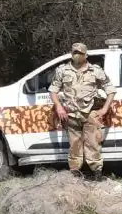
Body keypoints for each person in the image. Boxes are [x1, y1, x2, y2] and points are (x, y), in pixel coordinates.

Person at [49, 42, 116, 181]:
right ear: (71, 54)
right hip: (71, 115)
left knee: (93, 145)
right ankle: (75, 175)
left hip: (90, 113)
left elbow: (111, 90)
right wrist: (59, 107)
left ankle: (97, 174)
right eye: (75, 52)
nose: (77, 55)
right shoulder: (62, 70)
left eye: (80, 53)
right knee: (74, 147)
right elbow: (53, 90)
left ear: (86, 55)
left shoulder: (95, 70)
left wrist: (104, 109)